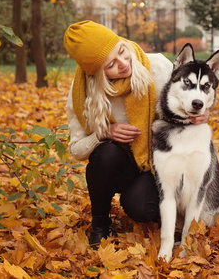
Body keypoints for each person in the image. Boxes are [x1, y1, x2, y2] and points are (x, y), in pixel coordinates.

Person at [63, 20, 208, 249]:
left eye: (121, 50)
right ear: (95, 73)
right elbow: (77, 149)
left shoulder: (157, 66)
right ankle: (100, 225)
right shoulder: (83, 94)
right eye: (111, 64)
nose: (123, 63)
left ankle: (164, 207)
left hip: (158, 162)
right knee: (104, 155)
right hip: (120, 165)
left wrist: (199, 114)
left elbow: (191, 96)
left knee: (140, 207)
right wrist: (104, 133)